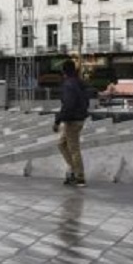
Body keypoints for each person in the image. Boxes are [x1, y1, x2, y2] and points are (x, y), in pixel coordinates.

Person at [54, 59, 89, 187]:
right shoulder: (79, 83)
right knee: (61, 144)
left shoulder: (69, 85)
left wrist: (57, 121)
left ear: (64, 71)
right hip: (78, 118)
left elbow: (67, 105)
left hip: (72, 120)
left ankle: (79, 177)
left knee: (74, 149)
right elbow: (86, 100)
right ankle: (74, 170)